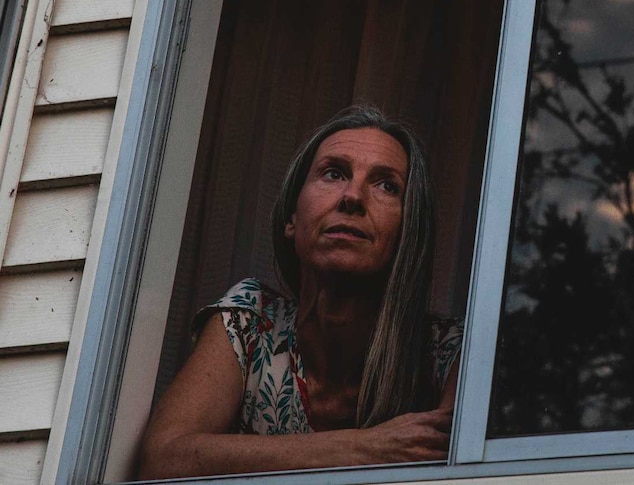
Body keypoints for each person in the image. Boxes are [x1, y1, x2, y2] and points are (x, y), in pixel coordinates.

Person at [139, 106, 463, 479]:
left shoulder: (450, 354)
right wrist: (366, 447)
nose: (352, 197)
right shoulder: (250, 325)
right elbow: (165, 459)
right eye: (333, 173)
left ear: (410, 230)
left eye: (387, 185)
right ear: (291, 219)